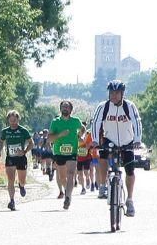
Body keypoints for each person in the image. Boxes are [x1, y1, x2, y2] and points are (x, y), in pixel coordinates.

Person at [90, 80, 143, 216]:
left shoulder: (129, 106)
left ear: (122, 94)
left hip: (127, 141)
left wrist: (137, 140)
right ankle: (102, 186)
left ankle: (129, 200)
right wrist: (95, 140)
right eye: (111, 92)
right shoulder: (103, 107)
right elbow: (96, 123)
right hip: (109, 139)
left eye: (117, 93)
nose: (113, 95)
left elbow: (137, 122)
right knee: (102, 155)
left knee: (130, 170)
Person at [0, 110, 33, 210]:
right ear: (8, 120)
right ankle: (12, 201)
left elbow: (31, 143)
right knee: (10, 180)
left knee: (22, 180)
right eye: (11, 120)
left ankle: (21, 186)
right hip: (10, 158)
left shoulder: (23, 130)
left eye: (15, 120)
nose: (13, 123)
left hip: (21, 158)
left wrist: (24, 151)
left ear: (18, 119)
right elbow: (1, 142)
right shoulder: (5, 131)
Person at [48, 100, 82, 210]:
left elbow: (83, 129)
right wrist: (60, 134)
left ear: (71, 110)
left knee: (71, 173)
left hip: (72, 151)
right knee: (62, 177)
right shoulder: (55, 122)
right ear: (60, 109)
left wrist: (80, 135)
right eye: (63, 107)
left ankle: (68, 197)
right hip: (59, 151)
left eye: (67, 107)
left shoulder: (76, 121)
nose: (65, 108)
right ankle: (67, 191)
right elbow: (49, 138)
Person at [76, 123, 94, 195]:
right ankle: (83, 188)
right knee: (80, 173)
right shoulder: (76, 136)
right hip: (79, 157)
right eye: (80, 130)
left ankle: (87, 179)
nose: (81, 131)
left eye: (82, 130)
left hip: (87, 156)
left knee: (86, 172)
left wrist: (86, 144)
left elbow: (90, 144)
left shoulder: (87, 135)